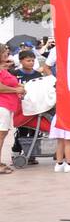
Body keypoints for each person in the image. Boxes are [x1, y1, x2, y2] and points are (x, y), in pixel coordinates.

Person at [0, 46, 26, 174]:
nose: (7, 54)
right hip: (2, 105)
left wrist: (19, 87)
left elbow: (9, 83)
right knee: (0, 135)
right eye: (5, 52)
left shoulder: (3, 68)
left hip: (7, 105)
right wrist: (16, 90)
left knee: (2, 135)